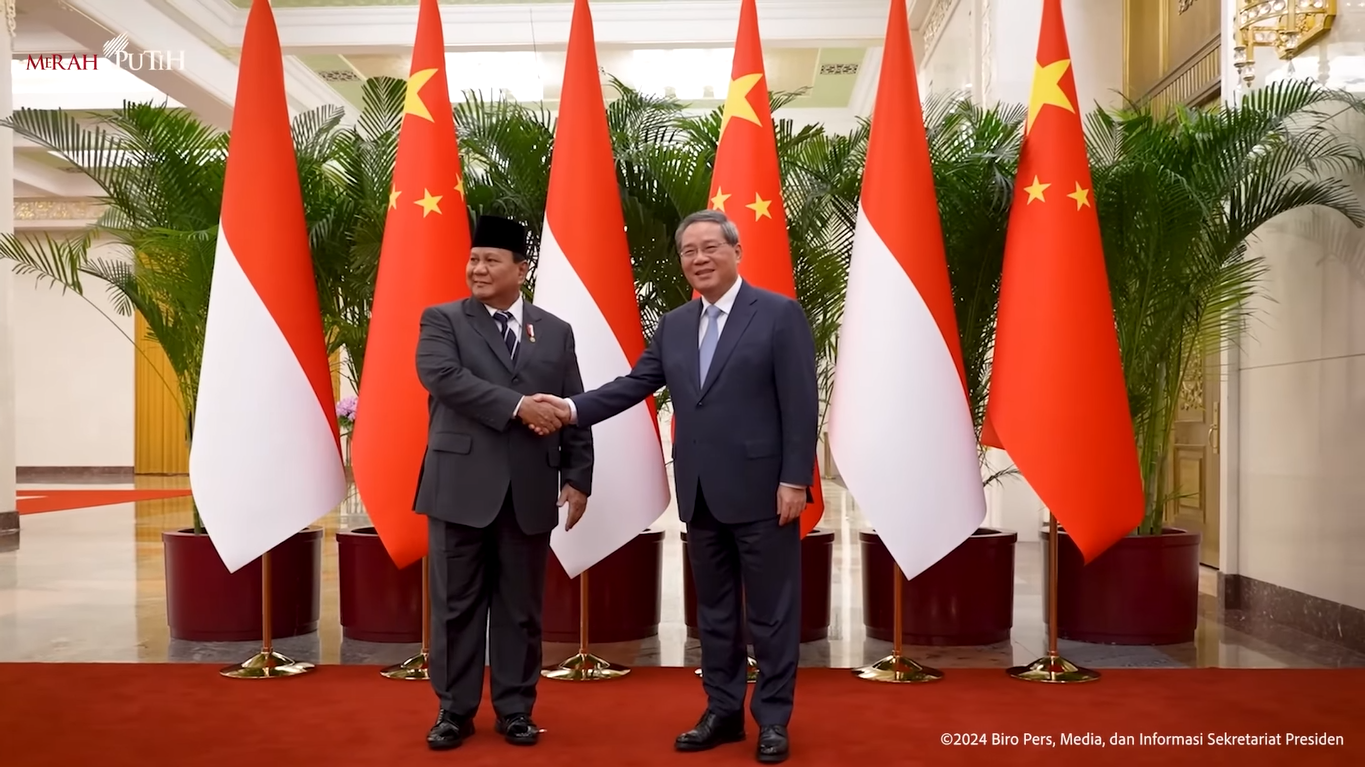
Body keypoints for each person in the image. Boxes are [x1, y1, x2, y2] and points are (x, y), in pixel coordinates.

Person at [534, 209, 818, 764]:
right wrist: (570, 408)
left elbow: (800, 405)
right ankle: (722, 711)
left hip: (766, 493)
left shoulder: (779, 315)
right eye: (689, 251)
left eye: (710, 247)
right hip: (702, 493)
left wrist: (794, 480)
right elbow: (634, 385)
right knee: (713, 612)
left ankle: (775, 720)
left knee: (771, 614)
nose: (700, 259)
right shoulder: (675, 325)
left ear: (736, 251)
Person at [413, 214, 593, 751]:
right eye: (473, 259)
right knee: (455, 606)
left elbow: (570, 404)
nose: (478, 269)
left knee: (521, 608)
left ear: (522, 268)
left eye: (491, 260)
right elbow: (443, 378)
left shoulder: (555, 330)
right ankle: (454, 710)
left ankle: (515, 709)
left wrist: (579, 475)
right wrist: (519, 407)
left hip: (529, 489)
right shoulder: (442, 320)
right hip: (459, 486)